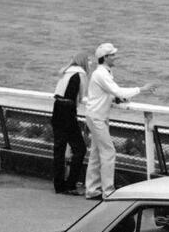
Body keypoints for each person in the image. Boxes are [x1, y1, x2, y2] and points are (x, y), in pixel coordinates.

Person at [83, 42, 155, 200]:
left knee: (96, 154)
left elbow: (110, 93)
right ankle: (108, 191)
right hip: (97, 118)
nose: (115, 57)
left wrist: (117, 98)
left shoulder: (103, 73)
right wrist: (141, 89)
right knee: (108, 152)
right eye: (113, 55)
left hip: (96, 116)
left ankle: (92, 189)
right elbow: (117, 90)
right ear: (105, 57)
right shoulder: (101, 74)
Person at [50, 51, 90, 195]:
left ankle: (59, 184)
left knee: (59, 149)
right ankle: (71, 184)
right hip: (68, 110)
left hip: (57, 108)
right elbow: (81, 96)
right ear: (84, 62)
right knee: (80, 149)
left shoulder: (65, 72)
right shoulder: (81, 74)